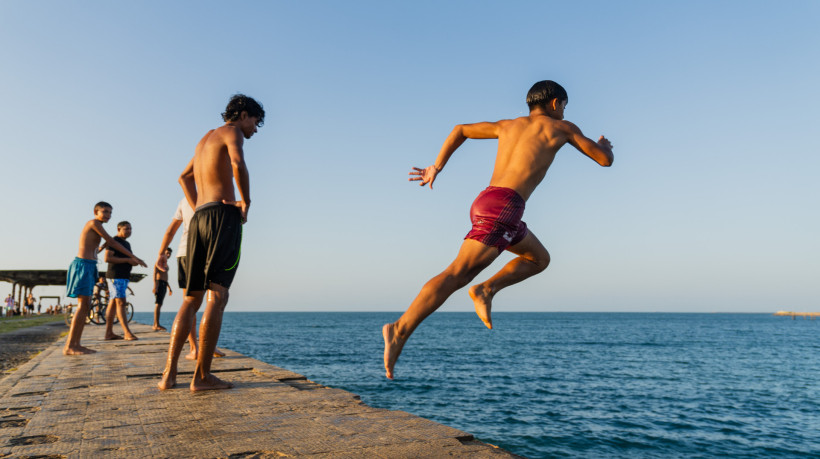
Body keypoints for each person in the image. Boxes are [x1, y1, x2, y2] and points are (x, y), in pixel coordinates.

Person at [382, 80, 614, 379]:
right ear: (556, 104)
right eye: (565, 106)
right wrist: (605, 146)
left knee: (539, 259)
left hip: (490, 200)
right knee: (457, 273)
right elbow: (604, 160)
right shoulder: (563, 128)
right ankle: (400, 329)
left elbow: (460, 129)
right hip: (505, 207)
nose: (565, 111)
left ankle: (485, 289)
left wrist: (435, 167)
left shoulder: (508, 125)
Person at [158, 94, 263, 391]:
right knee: (217, 296)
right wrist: (245, 203)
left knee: (192, 298)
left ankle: (168, 375)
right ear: (243, 115)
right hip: (221, 217)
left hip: (201, 217)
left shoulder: (204, 139)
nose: (254, 130)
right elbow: (238, 163)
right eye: (255, 122)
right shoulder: (231, 132)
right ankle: (201, 377)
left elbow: (183, 176)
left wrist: (199, 205)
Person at [64, 202, 146, 355]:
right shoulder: (94, 222)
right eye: (105, 212)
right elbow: (113, 242)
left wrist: (101, 248)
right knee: (82, 306)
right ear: (96, 211)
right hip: (83, 265)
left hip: (90, 265)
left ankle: (75, 344)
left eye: (110, 213)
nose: (108, 215)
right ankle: (70, 346)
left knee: (86, 305)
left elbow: (106, 241)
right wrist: (134, 257)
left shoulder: (98, 225)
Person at [155, 197, 225, 359]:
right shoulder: (213, 194)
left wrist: (161, 253)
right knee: (212, 300)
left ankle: (196, 349)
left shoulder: (184, 200)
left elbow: (171, 230)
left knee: (190, 302)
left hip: (185, 252)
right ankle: (204, 347)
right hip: (208, 252)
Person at [103, 221, 141, 340]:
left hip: (123, 276)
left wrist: (133, 262)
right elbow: (107, 258)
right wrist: (127, 260)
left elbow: (129, 259)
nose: (129, 231)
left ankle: (108, 333)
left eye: (130, 229)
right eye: (126, 229)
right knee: (121, 303)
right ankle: (127, 332)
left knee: (113, 304)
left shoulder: (126, 243)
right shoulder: (114, 241)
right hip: (116, 276)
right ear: (118, 229)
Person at [152, 247, 173, 330]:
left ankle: (156, 324)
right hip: (159, 284)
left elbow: (165, 277)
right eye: (167, 253)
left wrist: (169, 288)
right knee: (158, 303)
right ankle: (156, 324)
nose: (168, 255)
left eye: (169, 253)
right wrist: (155, 286)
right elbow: (155, 275)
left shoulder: (166, 264)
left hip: (164, 284)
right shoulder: (158, 263)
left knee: (160, 304)